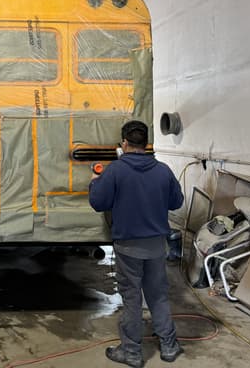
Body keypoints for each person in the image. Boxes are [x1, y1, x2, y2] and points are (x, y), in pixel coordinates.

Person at [89, 120, 184, 368]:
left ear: (124, 143)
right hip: (156, 246)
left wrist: (95, 181)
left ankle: (131, 352)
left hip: (128, 247)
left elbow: (98, 203)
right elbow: (176, 202)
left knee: (132, 298)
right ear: (146, 143)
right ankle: (169, 346)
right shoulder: (163, 170)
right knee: (158, 295)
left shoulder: (115, 171)